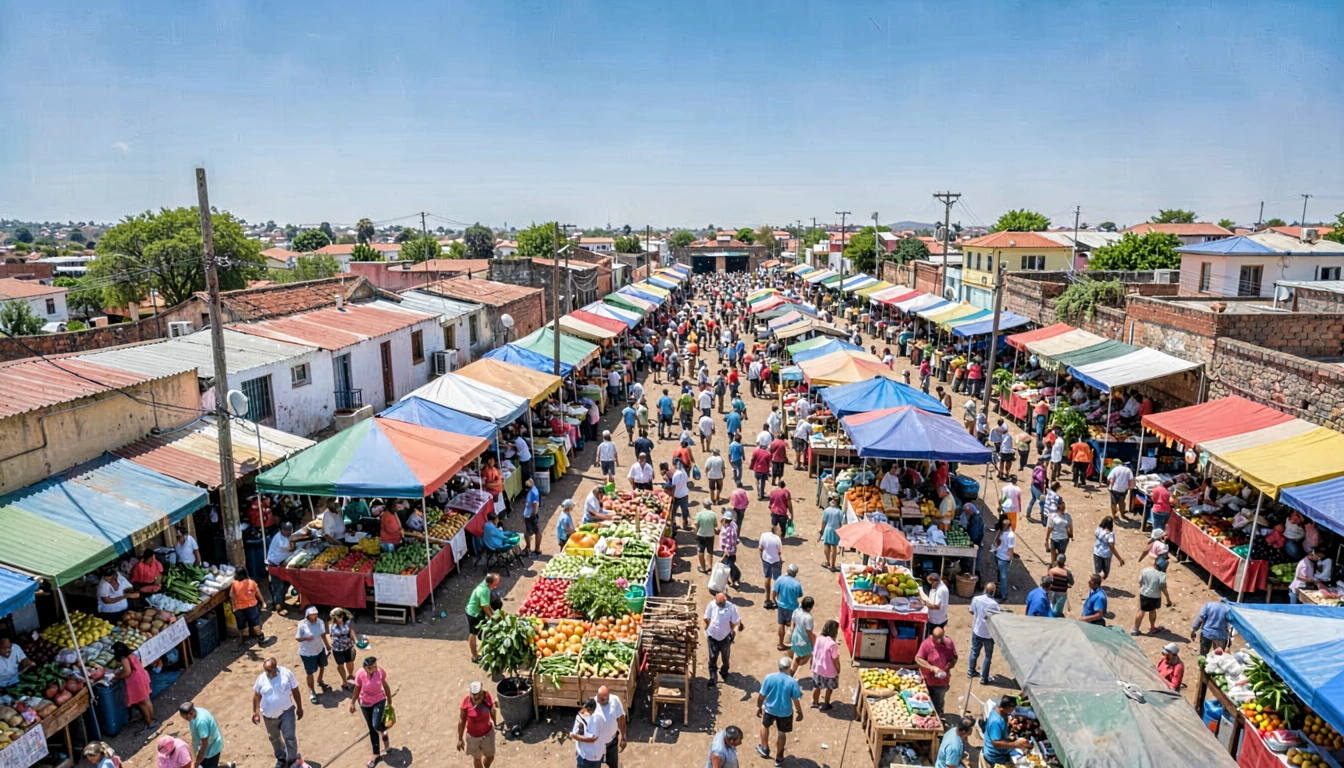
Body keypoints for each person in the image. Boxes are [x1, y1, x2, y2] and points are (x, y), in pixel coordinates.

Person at [254, 657, 304, 768]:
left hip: (286, 712)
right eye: (266, 670)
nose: (268, 673)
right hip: (269, 716)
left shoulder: (286, 674)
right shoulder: (261, 679)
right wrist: (255, 712)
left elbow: (295, 690)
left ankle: (291, 760)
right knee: (274, 738)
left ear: (276, 668)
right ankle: (281, 758)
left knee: (289, 737)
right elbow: (257, 696)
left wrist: (300, 707)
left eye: (270, 670)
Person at [756, 657, 803, 767]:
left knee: (764, 725)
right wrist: (799, 712)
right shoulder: (792, 682)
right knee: (781, 733)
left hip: (769, 709)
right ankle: (778, 758)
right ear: (789, 668)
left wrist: (759, 707)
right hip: (785, 712)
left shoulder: (769, 677)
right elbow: (796, 699)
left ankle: (764, 747)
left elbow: (761, 695)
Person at [349, 656, 392, 767]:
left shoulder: (380, 672)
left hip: (379, 700)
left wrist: (390, 700)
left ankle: (383, 731)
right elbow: (357, 689)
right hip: (365, 703)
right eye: (371, 667)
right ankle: (376, 753)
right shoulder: (360, 674)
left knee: (375, 724)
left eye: (375, 666)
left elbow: (385, 685)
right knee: (372, 728)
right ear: (365, 668)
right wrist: (352, 703)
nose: (374, 669)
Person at [111, 641, 156, 732]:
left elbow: (127, 671)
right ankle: (151, 719)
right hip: (142, 676)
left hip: (136, 681)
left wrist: (115, 676)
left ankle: (149, 722)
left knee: (141, 703)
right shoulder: (131, 654)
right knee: (146, 700)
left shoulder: (124, 658)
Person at [914, 626, 957, 713]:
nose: (938, 641)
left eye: (940, 639)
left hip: (942, 681)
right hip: (928, 679)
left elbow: (954, 658)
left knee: (939, 702)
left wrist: (948, 667)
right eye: (936, 639)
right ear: (932, 636)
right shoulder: (926, 644)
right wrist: (932, 668)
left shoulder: (949, 643)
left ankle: (940, 717)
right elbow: (918, 659)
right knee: (924, 701)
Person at [457, 681, 499, 768]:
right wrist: (460, 739)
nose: (476, 696)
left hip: (487, 734)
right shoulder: (466, 700)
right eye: (473, 694)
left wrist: (495, 723)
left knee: (490, 756)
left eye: (478, 694)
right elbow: (462, 720)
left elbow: (492, 709)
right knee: (477, 759)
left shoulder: (487, 697)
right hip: (473, 737)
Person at [704, 591, 742, 687]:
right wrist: (708, 627)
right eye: (719, 603)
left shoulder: (730, 607)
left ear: (725, 600)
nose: (720, 605)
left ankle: (724, 670)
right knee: (712, 656)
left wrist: (731, 629)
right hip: (713, 636)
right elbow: (706, 617)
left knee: (725, 656)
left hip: (725, 637)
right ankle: (712, 675)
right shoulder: (711, 605)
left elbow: (735, 620)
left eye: (722, 603)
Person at [178, 702, 233, 768]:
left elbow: (205, 742)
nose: (187, 720)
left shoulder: (201, 722)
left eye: (186, 718)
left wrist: (199, 758)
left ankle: (229, 766)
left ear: (190, 714)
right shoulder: (197, 710)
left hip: (211, 749)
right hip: (207, 745)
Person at [981, 695, 1031, 767]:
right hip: (995, 756)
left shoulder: (998, 710)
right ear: (1004, 708)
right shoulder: (996, 722)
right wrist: (1015, 744)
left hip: (1002, 752)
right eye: (1012, 709)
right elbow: (995, 743)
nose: (1013, 711)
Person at [295, 606, 331, 702]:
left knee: (322, 665)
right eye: (312, 615)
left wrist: (327, 646)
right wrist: (305, 639)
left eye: (315, 615)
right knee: (310, 672)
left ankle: (320, 680)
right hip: (308, 653)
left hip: (319, 649)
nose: (314, 617)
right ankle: (312, 690)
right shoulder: (302, 625)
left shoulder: (320, 622)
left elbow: (323, 635)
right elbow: (297, 638)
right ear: (307, 616)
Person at [807, 619, 841, 710]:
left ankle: (815, 702)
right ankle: (826, 703)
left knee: (817, 686)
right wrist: (838, 669)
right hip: (829, 671)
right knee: (829, 688)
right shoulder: (833, 644)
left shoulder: (818, 638)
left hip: (817, 668)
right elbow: (835, 659)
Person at [1132, 560, 1173, 635]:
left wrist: (1144, 588)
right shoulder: (1162, 575)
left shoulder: (1145, 570)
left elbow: (1140, 581)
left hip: (1144, 594)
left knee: (1141, 610)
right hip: (1155, 596)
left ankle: (1135, 629)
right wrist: (1168, 598)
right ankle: (1152, 628)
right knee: (1152, 610)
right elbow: (1163, 587)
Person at [229, 566, 267, 649]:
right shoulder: (252, 583)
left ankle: (241, 642)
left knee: (241, 626)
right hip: (251, 606)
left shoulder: (234, 584)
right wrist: (263, 602)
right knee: (255, 623)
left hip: (239, 608)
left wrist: (234, 607)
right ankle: (261, 640)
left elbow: (231, 595)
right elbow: (258, 593)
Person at [466, 573, 500, 663]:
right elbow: (485, 607)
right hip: (473, 613)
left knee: (479, 632)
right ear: (490, 583)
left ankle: (479, 653)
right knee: (473, 633)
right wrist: (492, 619)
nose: (496, 586)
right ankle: (474, 657)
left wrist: (494, 615)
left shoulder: (485, 584)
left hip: (475, 611)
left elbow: (487, 605)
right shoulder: (484, 591)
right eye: (495, 584)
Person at [592, 685, 627, 768]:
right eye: (601, 699)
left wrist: (623, 737)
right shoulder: (592, 706)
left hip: (612, 744)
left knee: (613, 765)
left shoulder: (615, 701)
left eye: (606, 699)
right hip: (597, 746)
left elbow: (621, 719)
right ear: (597, 697)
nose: (604, 701)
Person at [772, 563, 803, 652]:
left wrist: (774, 601)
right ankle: (795, 644)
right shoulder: (797, 584)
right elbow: (799, 596)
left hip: (781, 605)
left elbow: (774, 591)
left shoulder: (780, 579)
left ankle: (781, 644)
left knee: (781, 624)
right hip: (793, 607)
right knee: (794, 626)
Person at [265, 523, 296, 606]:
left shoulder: (289, 536)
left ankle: (280, 601)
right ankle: (278, 605)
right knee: (278, 586)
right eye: (285, 531)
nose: (287, 532)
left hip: (283, 564)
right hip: (274, 565)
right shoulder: (279, 538)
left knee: (286, 583)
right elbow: (290, 547)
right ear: (281, 530)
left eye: (289, 531)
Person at [570, 698, 605, 768]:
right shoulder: (580, 717)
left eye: (585, 709)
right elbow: (575, 730)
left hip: (593, 756)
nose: (582, 711)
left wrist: (574, 736)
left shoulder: (597, 720)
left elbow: (591, 739)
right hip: (582, 754)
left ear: (590, 710)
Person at [1092, 516, 1124, 584]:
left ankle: (1095, 583)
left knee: (1098, 571)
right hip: (1106, 554)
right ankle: (1097, 584)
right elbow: (1111, 546)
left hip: (1097, 552)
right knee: (1105, 572)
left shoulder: (1098, 529)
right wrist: (1119, 559)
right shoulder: (1110, 534)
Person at [819, 495, 846, 571]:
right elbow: (842, 523)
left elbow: (823, 522)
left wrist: (821, 530)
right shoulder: (839, 512)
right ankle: (832, 565)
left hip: (828, 529)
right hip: (836, 530)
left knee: (826, 545)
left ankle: (828, 562)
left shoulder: (826, 510)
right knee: (834, 547)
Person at [789, 596, 815, 673]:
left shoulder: (796, 611)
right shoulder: (808, 618)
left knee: (797, 655)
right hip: (803, 641)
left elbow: (792, 623)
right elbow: (809, 633)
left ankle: (791, 672)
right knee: (802, 657)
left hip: (796, 636)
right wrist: (813, 645)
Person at [992, 515, 1015, 601]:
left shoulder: (1004, 533)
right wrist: (1010, 558)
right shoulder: (1008, 534)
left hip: (1000, 557)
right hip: (1002, 558)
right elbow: (1010, 548)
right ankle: (1002, 593)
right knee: (1002, 576)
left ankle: (1001, 592)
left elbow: (999, 544)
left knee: (1001, 576)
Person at [1045, 499, 1073, 563]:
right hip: (1054, 539)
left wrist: (1070, 535)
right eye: (1061, 508)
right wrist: (1046, 539)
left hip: (1064, 539)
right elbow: (1049, 529)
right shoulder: (1052, 516)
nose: (1063, 510)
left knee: (1061, 558)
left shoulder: (1067, 516)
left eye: (1064, 508)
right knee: (1053, 558)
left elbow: (1070, 527)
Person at [695, 505, 720, 573]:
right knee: (709, 551)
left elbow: (696, 524)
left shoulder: (699, 514)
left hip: (701, 534)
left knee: (700, 551)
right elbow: (715, 525)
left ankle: (703, 568)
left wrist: (696, 532)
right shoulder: (713, 514)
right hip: (710, 535)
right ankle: (709, 567)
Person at [666, 461, 691, 529]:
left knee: (673, 512)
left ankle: (672, 525)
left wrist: (671, 494)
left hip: (676, 496)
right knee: (685, 511)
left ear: (675, 466)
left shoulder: (676, 474)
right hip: (684, 494)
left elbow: (673, 485)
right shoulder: (685, 473)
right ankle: (685, 526)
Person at [719, 510, 741, 587]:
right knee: (730, 565)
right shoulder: (733, 524)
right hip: (732, 550)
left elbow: (728, 544)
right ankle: (734, 579)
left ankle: (734, 579)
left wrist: (723, 557)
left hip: (728, 552)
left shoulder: (729, 530)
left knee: (728, 567)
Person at [521, 478, 542, 557]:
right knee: (527, 532)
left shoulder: (533, 492)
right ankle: (529, 547)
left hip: (531, 516)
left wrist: (532, 515)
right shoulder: (534, 490)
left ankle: (535, 549)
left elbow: (535, 505)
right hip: (529, 515)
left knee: (535, 532)